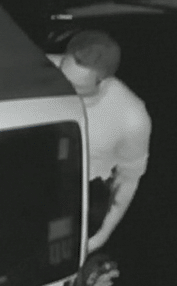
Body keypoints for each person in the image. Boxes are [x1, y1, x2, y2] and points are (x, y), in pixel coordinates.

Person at [49, 30, 151, 254]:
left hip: (67, 203)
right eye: (61, 77)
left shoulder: (130, 116)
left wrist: (100, 237)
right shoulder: (39, 69)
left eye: (77, 89)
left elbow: (128, 179)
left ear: (103, 80)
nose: (65, 91)